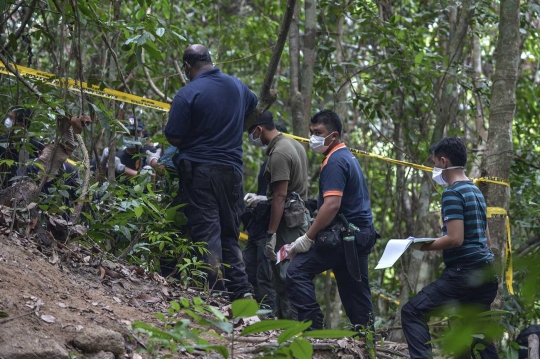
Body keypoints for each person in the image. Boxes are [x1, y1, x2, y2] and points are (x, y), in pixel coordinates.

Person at [165, 44, 258, 301]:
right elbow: (254, 105)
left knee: (207, 234)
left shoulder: (188, 93)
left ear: (187, 67)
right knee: (229, 233)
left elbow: (173, 136)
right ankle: (242, 294)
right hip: (232, 172)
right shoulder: (237, 86)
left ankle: (216, 297)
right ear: (210, 60)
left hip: (201, 171)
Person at [401, 137, 499, 359]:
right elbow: (487, 240)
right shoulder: (475, 192)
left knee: (412, 312)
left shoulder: (452, 193)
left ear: (444, 162)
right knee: (476, 333)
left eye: (434, 162)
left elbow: (455, 239)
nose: (434, 168)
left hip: (463, 274)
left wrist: (419, 246)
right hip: (485, 271)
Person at [285, 109, 378, 330]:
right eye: (311, 132)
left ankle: (313, 330)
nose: (313, 137)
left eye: (318, 132)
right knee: (355, 292)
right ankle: (367, 340)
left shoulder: (335, 161)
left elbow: (333, 205)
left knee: (296, 272)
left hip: (347, 236)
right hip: (359, 235)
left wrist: (308, 237)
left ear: (333, 135)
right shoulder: (347, 156)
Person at [245, 112, 310, 319]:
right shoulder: (293, 144)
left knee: (284, 278)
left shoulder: (279, 153)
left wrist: (271, 234)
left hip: (286, 225)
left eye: (251, 132)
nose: (252, 137)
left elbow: (280, 196)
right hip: (296, 219)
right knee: (285, 277)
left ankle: (290, 329)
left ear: (259, 129)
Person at [241, 121, 289, 315]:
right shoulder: (267, 161)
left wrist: (272, 232)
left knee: (265, 279)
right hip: (257, 226)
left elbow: (282, 195)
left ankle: (268, 321)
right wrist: (257, 199)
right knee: (247, 271)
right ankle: (251, 315)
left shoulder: (282, 158)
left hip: (269, 228)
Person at [97, 116, 160, 180]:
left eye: (134, 133)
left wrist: (122, 169)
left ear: (142, 133)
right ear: (122, 134)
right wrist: (103, 164)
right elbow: (100, 182)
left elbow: (151, 177)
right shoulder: (118, 157)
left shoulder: (149, 153)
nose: (130, 136)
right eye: (127, 133)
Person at [0, 107, 44, 187]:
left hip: (27, 191)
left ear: (22, 123)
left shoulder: (36, 145)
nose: (7, 120)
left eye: (11, 118)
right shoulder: (1, 142)